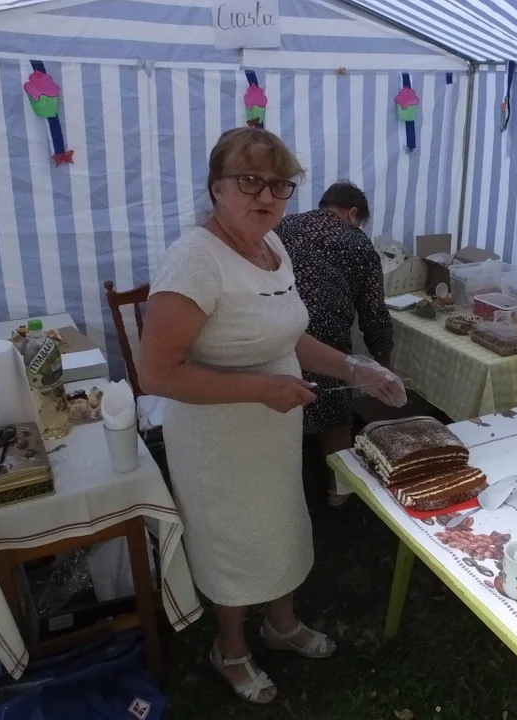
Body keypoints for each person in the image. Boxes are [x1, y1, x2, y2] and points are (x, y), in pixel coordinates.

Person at [139, 128, 406, 705]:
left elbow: (289, 333)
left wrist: (357, 369)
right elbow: (157, 374)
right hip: (217, 438)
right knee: (232, 542)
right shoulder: (193, 260)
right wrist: (262, 388)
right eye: (249, 180)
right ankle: (229, 650)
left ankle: (280, 625)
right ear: (216, 187)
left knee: (281, 522)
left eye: (280, 185)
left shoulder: (274, 246)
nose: (266, 195)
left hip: (271, 428)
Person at [276, 181, 394, 506]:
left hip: (279, 331)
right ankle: (338, 493)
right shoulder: (358, 243)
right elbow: (373, 313)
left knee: (281, 410)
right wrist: (382, 363)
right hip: (327, 340)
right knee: (335, 416)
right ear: (353, 213)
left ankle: (282, 493)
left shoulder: (284, 226)